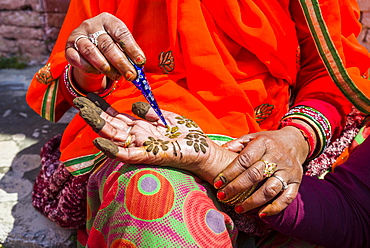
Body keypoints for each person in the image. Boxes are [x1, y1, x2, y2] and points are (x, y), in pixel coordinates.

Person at [26, 0, 370, 247]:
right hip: (146, 128)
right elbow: (69, 84)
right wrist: (89, 63)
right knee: (149, 199)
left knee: (320, 214)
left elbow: (331, 74)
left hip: (268, 129)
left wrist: (294, 140)